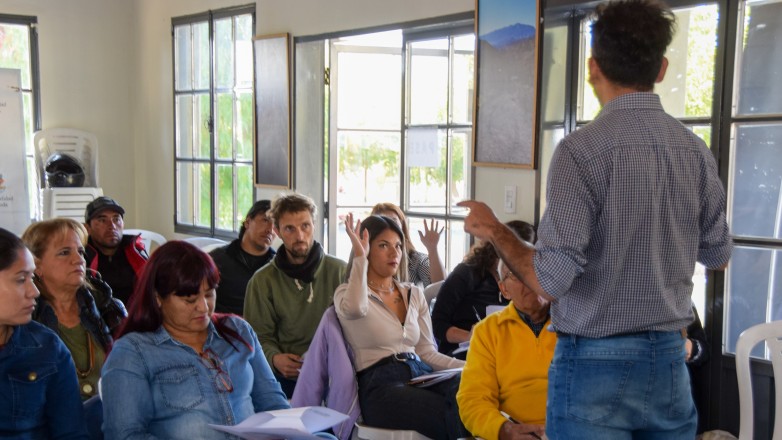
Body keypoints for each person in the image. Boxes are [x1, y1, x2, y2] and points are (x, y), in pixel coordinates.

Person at [458, 0, 733, 437]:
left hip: (593, 365)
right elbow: (718, 255)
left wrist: (493, 229)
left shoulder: (579, 152)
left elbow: (550, 282)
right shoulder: (695, 151)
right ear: (661, 69)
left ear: (592, 68)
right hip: (668, 362)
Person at [101, 241, 290, 439]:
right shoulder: (134, 352)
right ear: (157, 298)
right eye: (189, 300)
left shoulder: (237, 331)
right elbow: (124, 435)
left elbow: (272, 402)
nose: (203, 307)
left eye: (209, 294)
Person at [335, 214, 467, 439]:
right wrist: (359, 258)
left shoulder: (413, 293)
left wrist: (471, 367)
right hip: (380, 385)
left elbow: (427, 353)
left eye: (398, 245)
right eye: (383, 245)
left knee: (470, 387)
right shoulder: (347, 293)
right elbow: (356, 309)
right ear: (366, 249)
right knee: (453, 412)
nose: (394, 252)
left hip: (421, 375)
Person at [244, 193, 347, 398]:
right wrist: (275, 359)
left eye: (305, 226)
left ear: (314, 226)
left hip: (335, 372)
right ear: (277, 231)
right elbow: (258, 337)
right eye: (290, 229)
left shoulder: (340, 271)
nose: (299, 236)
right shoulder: (262, 281)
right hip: (287, 376)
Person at [22, 218, 127, 400]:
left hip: (112, 408)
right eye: (64, 253)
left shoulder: (109, 309)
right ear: (37, 266)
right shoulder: (24, 318)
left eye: (80, 251)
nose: (78, 259)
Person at [0, 228, 90, 439]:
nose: (34, 291)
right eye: (21, 279)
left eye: (32, 277)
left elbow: (72, 434)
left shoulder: (48, 348)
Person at [457, 258, 555, 440]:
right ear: (504, 290)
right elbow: (473, 399)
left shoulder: (574, 325)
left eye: (536, 271)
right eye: (517, 275)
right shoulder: (487, 331)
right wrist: (503, 430)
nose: (529, 279)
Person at [432, 220, 535, 357]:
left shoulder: (523, 282)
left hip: (505, 351)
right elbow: (437, 323)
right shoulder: (466, 274)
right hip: (463, 352)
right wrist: (469, 336)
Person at [210, 199, 276, 315]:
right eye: (265, 220)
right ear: (248, 222)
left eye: (276, 225)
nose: (270, 229)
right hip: (224, 323)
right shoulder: (216, 259)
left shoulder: (279, 266)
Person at [83, 196, 148, 304]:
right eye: (102, 220)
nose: (112, 226)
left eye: (116, 219)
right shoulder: (81, 256)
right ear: (87, 228)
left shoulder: (136, 250)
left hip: (134, 312)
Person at [371, 203, 445, 287]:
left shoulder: (415, 260)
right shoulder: (366, 258)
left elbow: (441, 286)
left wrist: (432, 250)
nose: (389, 228)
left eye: (394, 222)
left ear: (402, 226)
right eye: (382, 223)